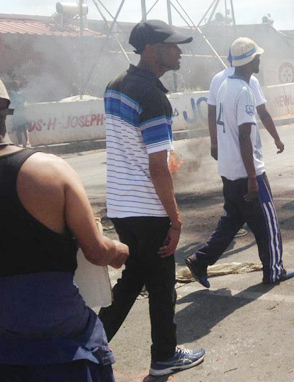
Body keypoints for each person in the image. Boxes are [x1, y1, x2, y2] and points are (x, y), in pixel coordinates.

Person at [0, 64, 129, 381]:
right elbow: (97, 252)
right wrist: (119, 249)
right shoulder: (49, 170)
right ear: (6, 112)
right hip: (58, 327)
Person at [97, 20, 205, 377]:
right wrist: (175, 219)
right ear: (150, 50)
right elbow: (158, 169)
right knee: (161, 286)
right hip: (147, 209)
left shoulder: (114, 88)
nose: (179, 52)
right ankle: (163, 357)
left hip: (122, 207)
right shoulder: (154, 97)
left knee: (134, 280)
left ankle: (91, 345)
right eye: (172, 46)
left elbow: (135, 149)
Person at [185, 37, 294, 288]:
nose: (259, 60)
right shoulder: (245, 91)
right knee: (268, 225)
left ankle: (200, 260)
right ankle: (274, 271)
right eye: (257, 57)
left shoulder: (224, 84)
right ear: (249, 61)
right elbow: (245, 136)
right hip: (247, 172)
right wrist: (254, 178)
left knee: (232, 220)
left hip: (229, 170)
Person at [207, 50, 286, 238]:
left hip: (226, 159)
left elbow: (211, 113)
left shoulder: (219, 80)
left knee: (232, 208)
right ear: (247, 60)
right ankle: (272, 262)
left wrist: (214, 142)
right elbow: (262, 114)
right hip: (248, 159)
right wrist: (276, 138)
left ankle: (202, 258)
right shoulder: (247, 83)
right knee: (265, 213)